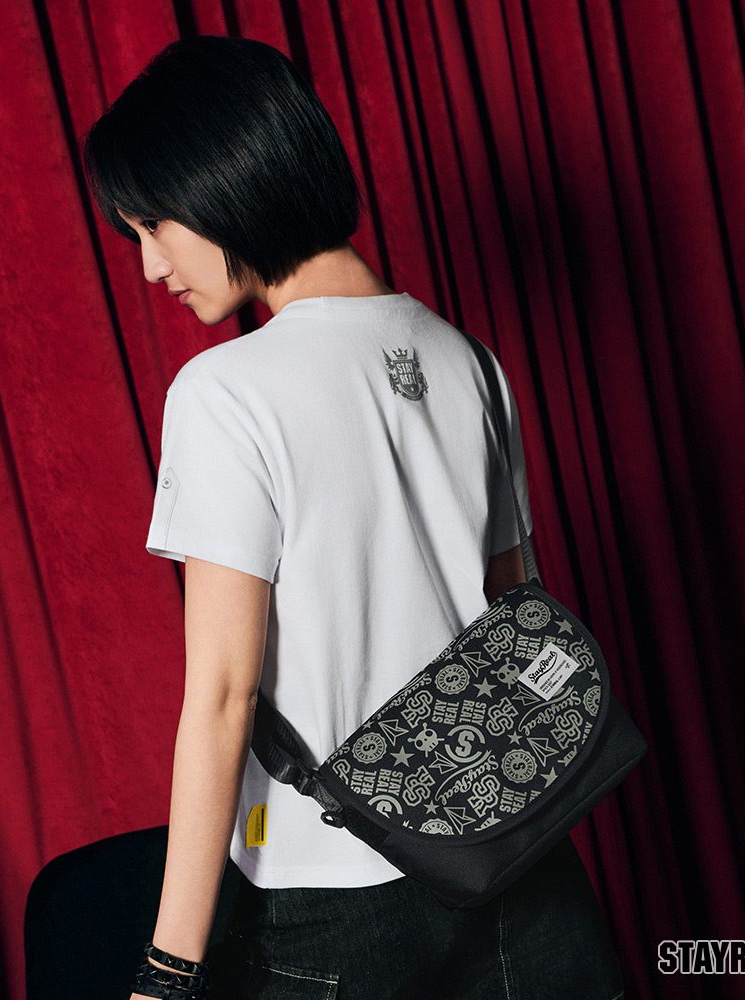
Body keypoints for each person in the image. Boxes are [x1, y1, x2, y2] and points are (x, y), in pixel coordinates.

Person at [83, 34, 626, 1000]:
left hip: (333, 896)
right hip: (517, 861)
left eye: (154, 225)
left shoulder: (224, 392)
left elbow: (221, 696)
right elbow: (520, 615)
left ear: (227, 179)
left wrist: (168, 970)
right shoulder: (468, 359)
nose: (152, 265)